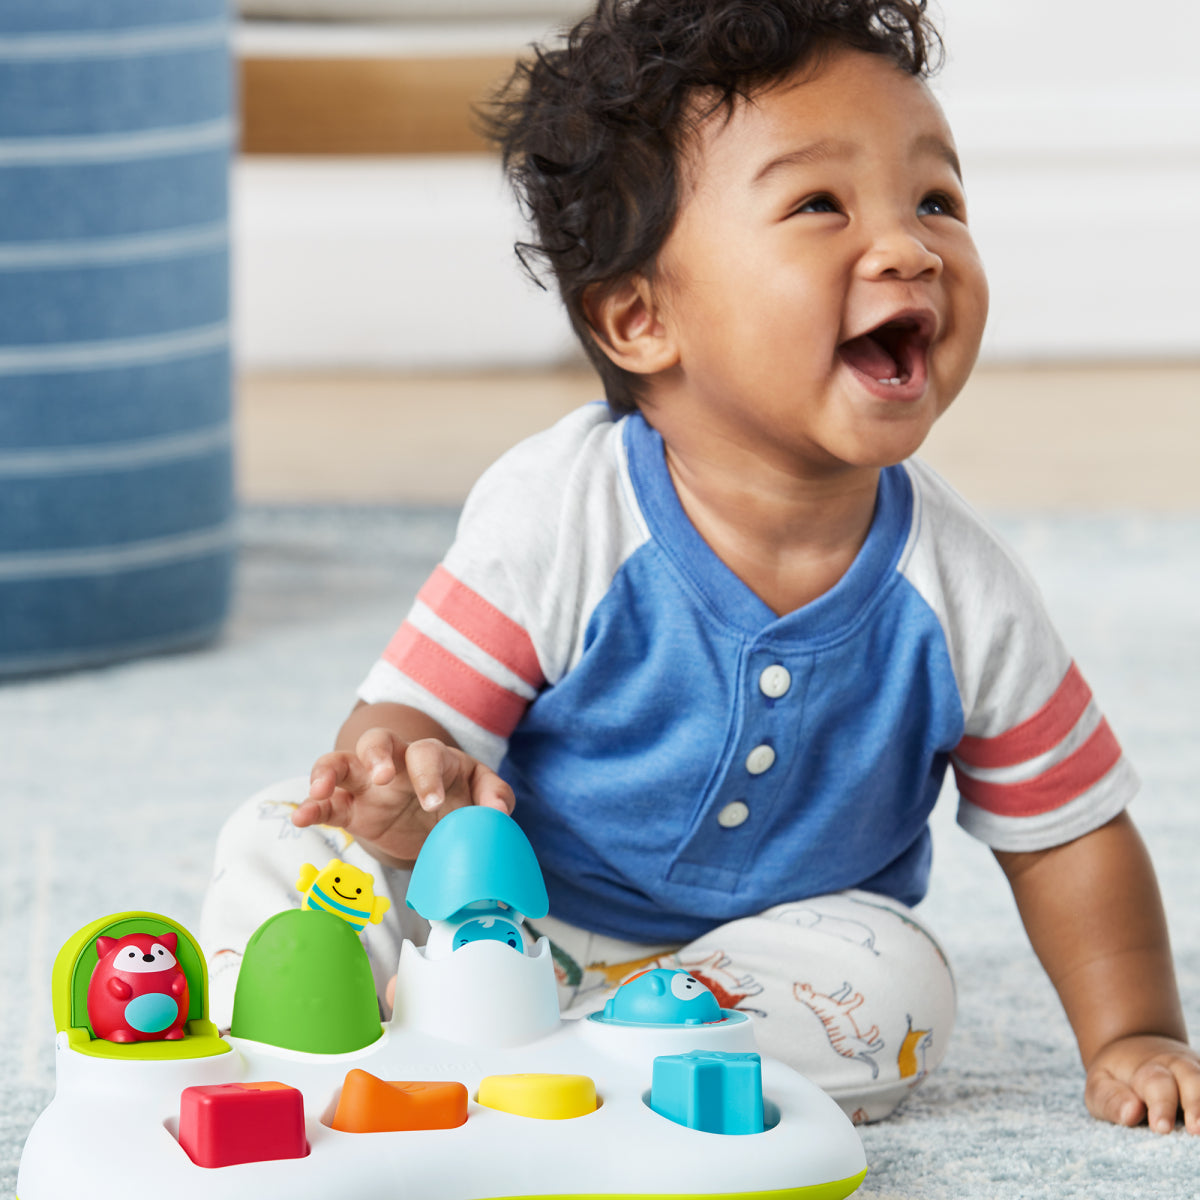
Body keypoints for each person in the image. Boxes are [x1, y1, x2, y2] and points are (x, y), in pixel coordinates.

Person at [201, 0, 1200, 1130]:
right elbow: (408, 724)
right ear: (638, 319)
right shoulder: (561, 513)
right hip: (492, 915)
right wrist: (401, 790)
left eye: (938, 200)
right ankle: (303, 1026)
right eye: (820, 204)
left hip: (752, 970)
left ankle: (589, 1055)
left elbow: (1067, 830)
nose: (912, 246)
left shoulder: (965, 592)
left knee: (899, 979)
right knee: (287, 829)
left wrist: (1136, 1032)